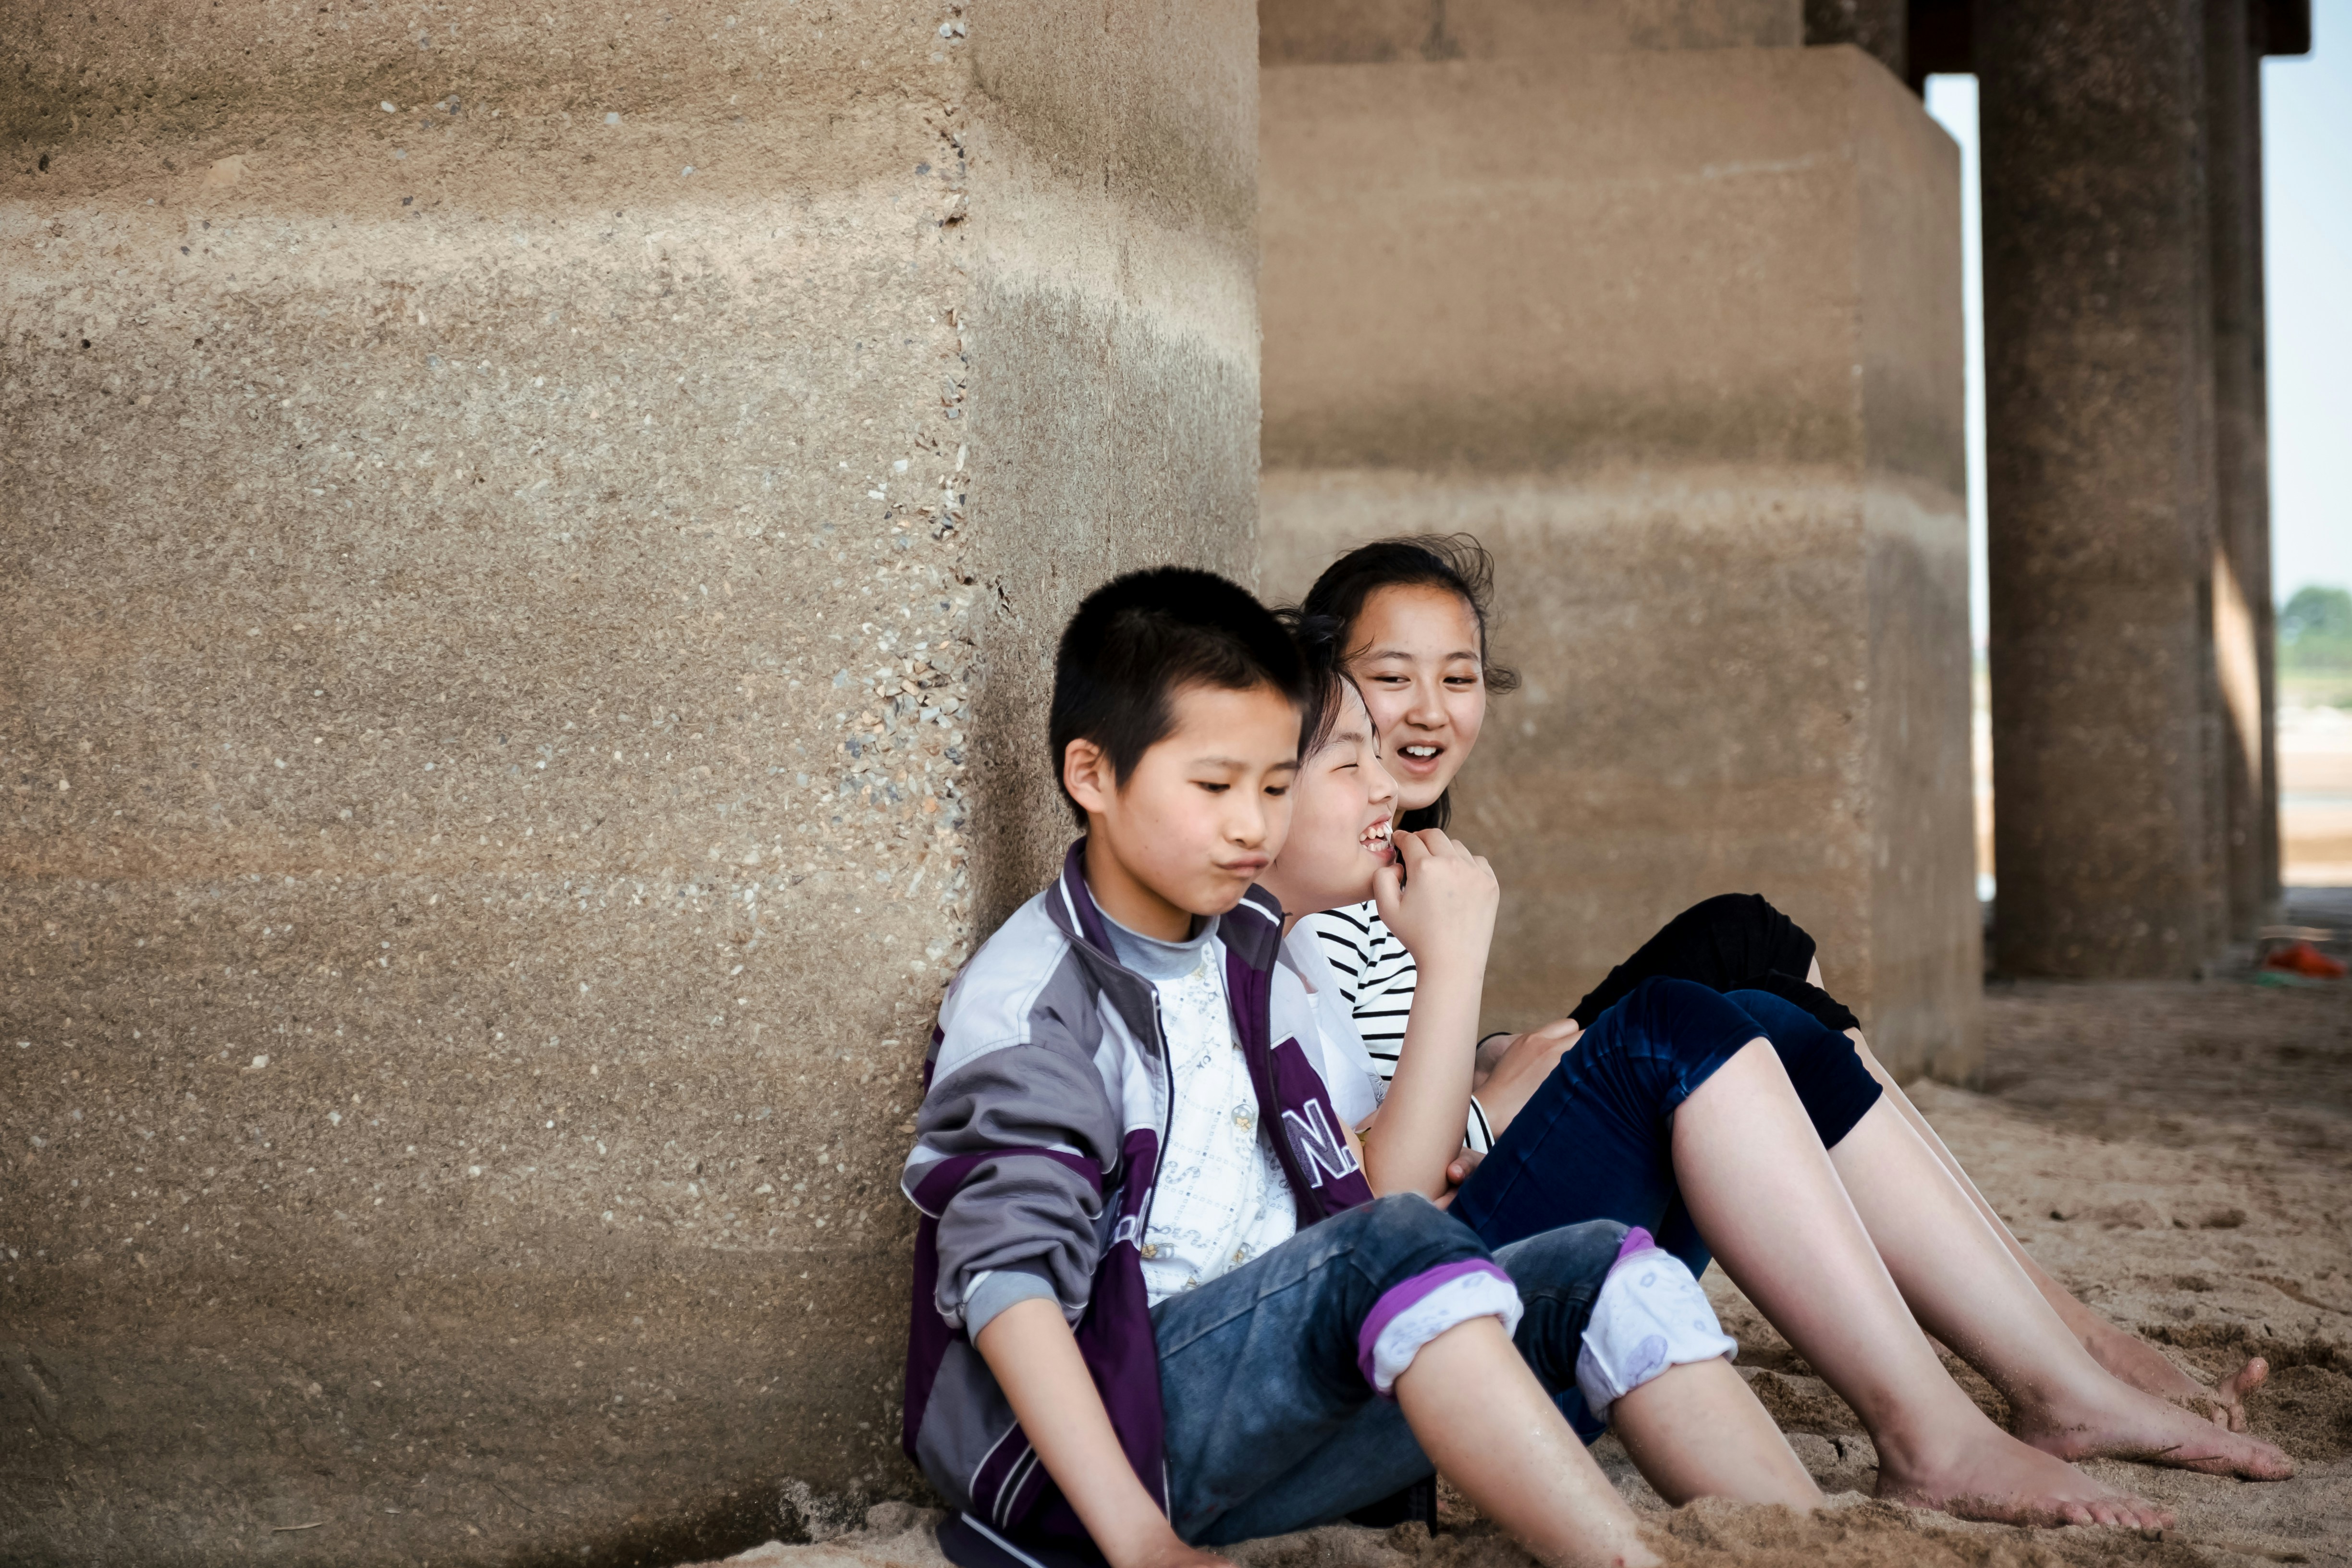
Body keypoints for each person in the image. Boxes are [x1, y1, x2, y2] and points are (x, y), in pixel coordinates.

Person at [1290, 536, 2292, 1501]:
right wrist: (1486, 1104)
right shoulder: (1301, 904)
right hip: (1436, 1275)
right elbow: (1355, 1166)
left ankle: (2053, 1349)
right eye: (1389, 681)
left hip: (1464, 1170)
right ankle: (2031, 1372)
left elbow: (1376, 1069)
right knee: (1712, 1012)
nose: (1424, 713)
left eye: (1458, 677)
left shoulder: (1400, 876)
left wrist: (1492, 1060)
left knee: (1754, 964)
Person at [899, 568, 1817, 1568]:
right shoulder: (1037, 999)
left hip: (1289, 1403)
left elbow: (1375, 1186)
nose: (1253, 824)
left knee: (1597, 1264)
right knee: (1390, 1246)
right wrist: (1137, 1541)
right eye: (1215, 787)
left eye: (1276, 788)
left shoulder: (1249, 950)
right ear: (1092, 777)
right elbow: (1007, 1277)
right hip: (1108, 1449)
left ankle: (1824, 1541)